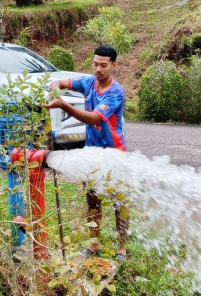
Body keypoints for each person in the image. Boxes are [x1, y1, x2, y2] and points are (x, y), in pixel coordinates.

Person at [43, 45, 129, 262]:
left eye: (103, 65)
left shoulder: (115, 93)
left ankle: (122, 247)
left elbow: (94, 118)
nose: (97, 69)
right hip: (92, 154)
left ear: (113, 65)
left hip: (115, 154)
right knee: (92, 200)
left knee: (120, 202)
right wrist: (55, 92)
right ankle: (94, 242)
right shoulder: (88, 82)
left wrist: (63, 105)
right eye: (95, 64)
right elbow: (59, 82)